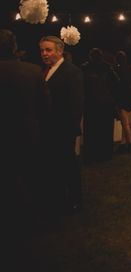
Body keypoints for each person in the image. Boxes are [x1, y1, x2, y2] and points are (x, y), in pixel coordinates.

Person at [0, 30, 49, 232]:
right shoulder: (33, 71)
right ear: (13, 47)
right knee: (31, 178)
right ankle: (33, 221)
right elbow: (46, 107)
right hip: (28, 134)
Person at [39, 35, 84, 214]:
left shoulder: (71, 71)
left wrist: (70, 130)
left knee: (69, 165)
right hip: (48, 129)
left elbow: (76, 103)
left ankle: (75, 200)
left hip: (63, 129)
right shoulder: (45, 70)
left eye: (48, 50)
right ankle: (58, 197)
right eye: (42, 50)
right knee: (55, 166)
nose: (44, 53)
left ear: (60, 51)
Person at [81, 48, 119, 162]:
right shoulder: (107, 67)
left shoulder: (85, 68)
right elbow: (116, 83)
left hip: (92, 104)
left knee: (92, 130)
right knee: (105, 130)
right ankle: (105, 153)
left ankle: (93, 154)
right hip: (104, 104)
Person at [115, 51, 131, 152]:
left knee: (125, 123)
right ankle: (123, 143)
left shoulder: (118, 70)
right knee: (126, 122)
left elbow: (118, 85)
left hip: (123, 98)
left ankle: (130, 144)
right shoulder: (130, 68)